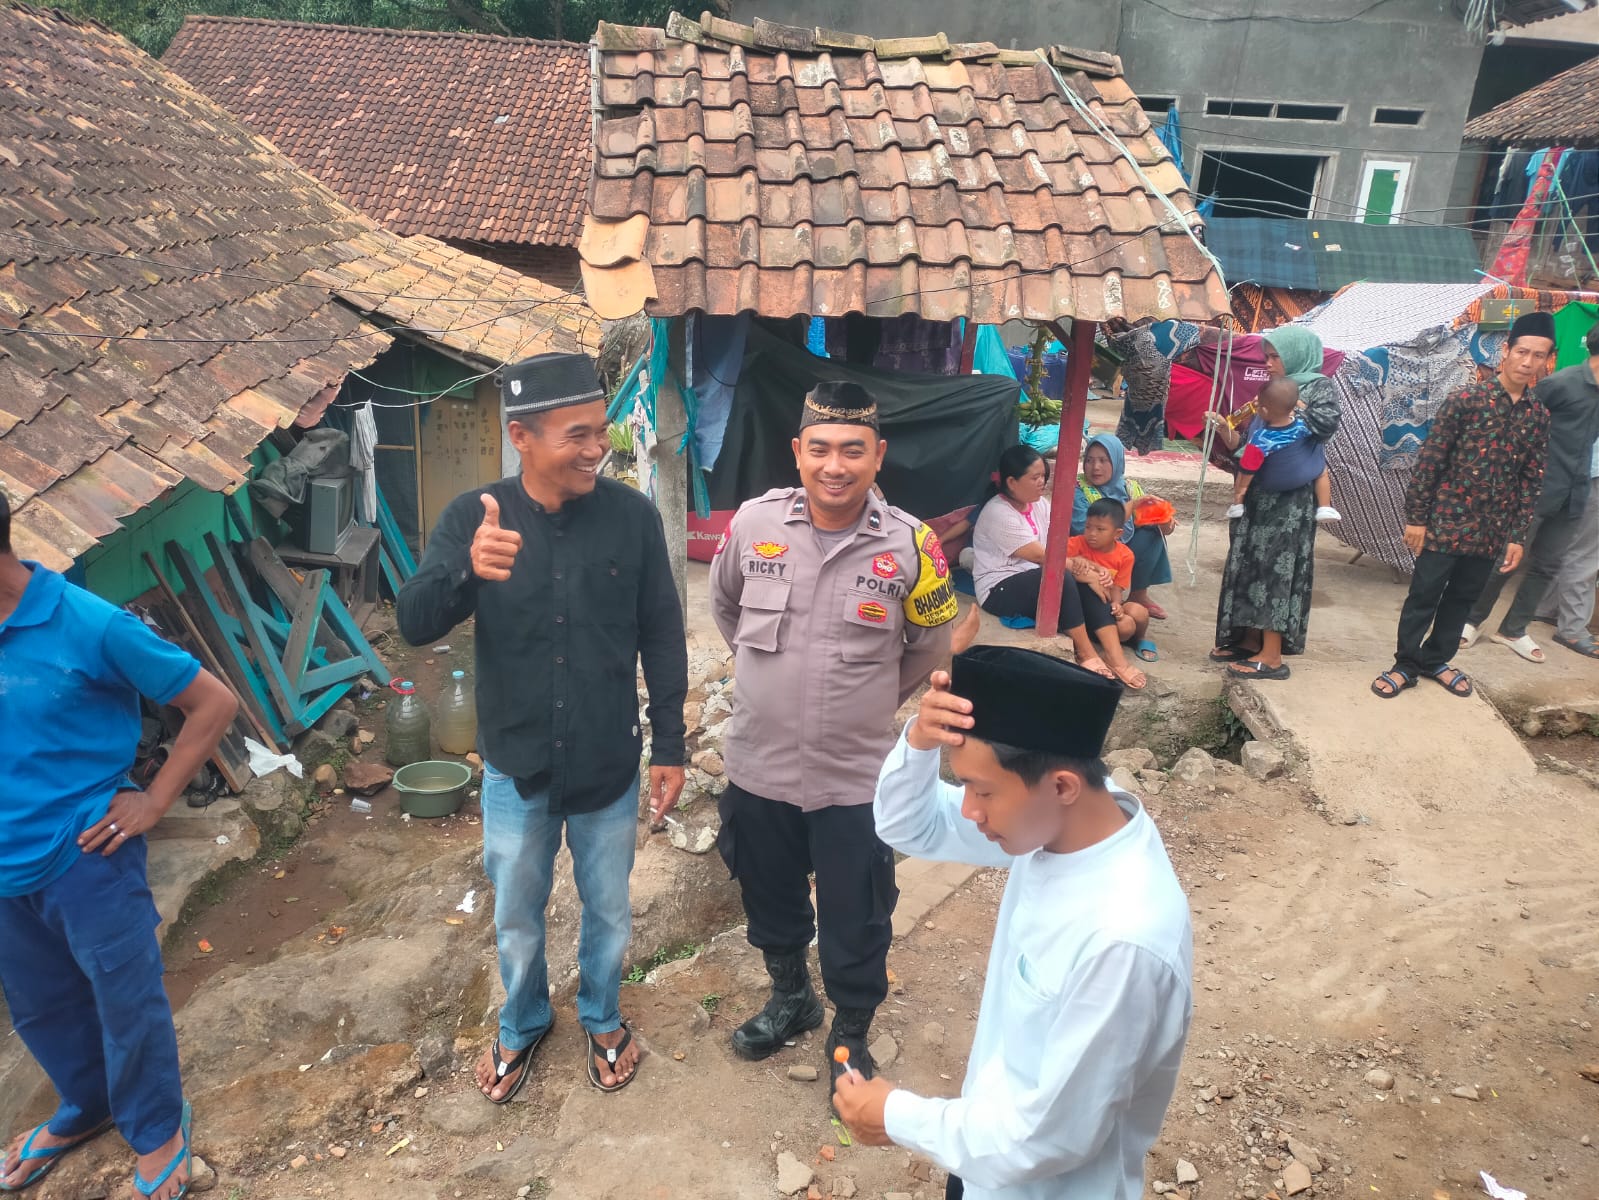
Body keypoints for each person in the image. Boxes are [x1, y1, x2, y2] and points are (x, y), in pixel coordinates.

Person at [397, 351, 688, 1097]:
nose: (596, 450)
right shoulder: (474, 519)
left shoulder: (631, 518)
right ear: (521, 437)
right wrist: (466, 569)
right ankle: (523, 1020)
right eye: (576, 435)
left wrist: (670, 743)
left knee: (609, 911)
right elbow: (414, 624)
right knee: (517, 916)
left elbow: (661, 633)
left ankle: (602, 1015)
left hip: (606, 763)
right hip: (515, 765)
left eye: (600, 431)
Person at [833, 645, 1193, 1198]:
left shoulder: (1123, 940)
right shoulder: (1069, 823)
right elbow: (910, 826)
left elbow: (1048, 1138)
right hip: (980, 1155)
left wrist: (894, 1116)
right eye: (965, 786)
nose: (969, 809)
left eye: (982, 791)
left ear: (1062, 786)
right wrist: (921, 742)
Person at [709, 380, 958, 1089]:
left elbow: (930, 643)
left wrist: (869, 699)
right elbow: (726, 608)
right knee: (769, 895)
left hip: (854, 774)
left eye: (853, 450)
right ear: (797, 452)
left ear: (879, 455)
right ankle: (791, 997)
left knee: (857, 910)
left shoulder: (913, 544)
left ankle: (850, 1031)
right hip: (759, 763)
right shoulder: (752, 523)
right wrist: (775, 682)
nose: (835, 466)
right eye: (819, 449)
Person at [0, 488, 238, 1200]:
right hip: (5, 868)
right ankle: (87, 1106)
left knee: (124, 997)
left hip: (86, 855)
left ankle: (158, 1129)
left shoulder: (87, 623)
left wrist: (154, 799)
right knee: (41, 1005)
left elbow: (212, 702)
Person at [1372, 313, 1555, 699]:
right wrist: (1417, 518)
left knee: (1462, 598)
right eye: (1522, 352)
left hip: (1491, 530)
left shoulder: (1537, 416)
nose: (1528, 362)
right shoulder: (1466, 401)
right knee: (1424, 594)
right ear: (1505, 352)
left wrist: (1517, 535)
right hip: (1445, 521)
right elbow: (1431, 461)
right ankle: (1406, 664)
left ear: (1547, 360)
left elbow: (1530, 479)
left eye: (1538, 356)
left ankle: (1436, 659)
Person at [1461, 321, 1599, 663]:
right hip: (1537, 488)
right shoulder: (1563, 383)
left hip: (1575, 492)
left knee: (1548, 565)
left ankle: (1513, 629)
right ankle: (1470, 621)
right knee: (1505, 560)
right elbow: (1519, 422)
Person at [971, 444, 1118, 680]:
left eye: (1043, 476)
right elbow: (1042, 557)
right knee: (1062, 578)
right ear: (1012, 482)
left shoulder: (1040, 504)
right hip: (999, 589)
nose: (1042, 482)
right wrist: (1083, 571)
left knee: (1088, 583)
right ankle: (1085, 651)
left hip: (1035, 574)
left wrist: (1090, 568)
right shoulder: (997, 512)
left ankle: (1116, 655)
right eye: (1035, 477)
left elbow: (1060, 544)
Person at [1206, 326, 1340, 522]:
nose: (1268, 364)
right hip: (1253, 500)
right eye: (1266, 357)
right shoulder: (1271, 389)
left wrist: (1287, 405)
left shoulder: (1319, 386)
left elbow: (1326, 426)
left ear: (1296, 354)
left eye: (1275, 357)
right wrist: (1223, 428)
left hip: (1289, 505)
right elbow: (1245, 446)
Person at [1071, 432, 1177, 623]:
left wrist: (1164, 522)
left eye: (1103, 460)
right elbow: (1087, 533)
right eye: (1089, 460)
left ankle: (1138, 595)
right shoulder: (1078, 489)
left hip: (1119, 548)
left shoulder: (1129, 487)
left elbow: (1160, 528)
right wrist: (1131, 506)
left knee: (1151, 533)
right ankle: (1112, 597)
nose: (1095, 467)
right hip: (1091, 551)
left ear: (1117, 461)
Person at [1065, 498, 1151, 688]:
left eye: (1100, 529)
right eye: (1088, 527)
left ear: (1117, 533)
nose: (1092, 534)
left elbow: (1117, 588)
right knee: (1125, 626)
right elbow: (1055, 556)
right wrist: (1075, 559)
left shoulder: (1125, 555)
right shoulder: (1077, 544)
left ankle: (1138, 640)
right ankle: (1108, 651)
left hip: (1106, 605)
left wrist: (1116, 606)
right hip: (1083, 608)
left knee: (1134, 616)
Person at [1534, 431, 1599, 658]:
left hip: (1584, 467)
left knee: (1572, 544)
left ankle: (1546, 607)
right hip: (1594, 472)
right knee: (1588, 555)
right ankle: (1572, 628)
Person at [1105, 316, 1169, 456]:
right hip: (1151, 398)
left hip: (1137, 398)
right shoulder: (1158, 345)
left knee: (1128, 428)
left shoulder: (1121, 342)